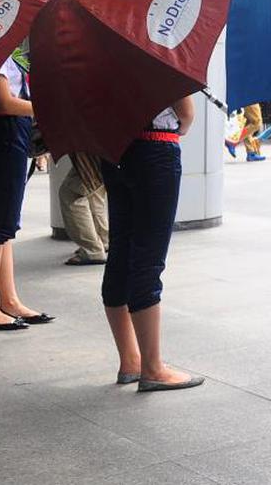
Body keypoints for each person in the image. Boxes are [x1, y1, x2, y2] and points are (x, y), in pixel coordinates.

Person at [100, 96, 204, 392]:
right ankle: (153, 368)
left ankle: (130, 360)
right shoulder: (158, 49)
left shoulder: (103, 51)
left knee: (120, 250)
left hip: (114, 148)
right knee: (148, 256)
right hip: (156, 148)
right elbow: (185, 112)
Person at [0, 56, 53, 331]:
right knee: (0, 222)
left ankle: (9, 300)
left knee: (5, 222)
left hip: (5, 131)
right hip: (4, 130)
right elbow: (4, 101)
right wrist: (49, 110)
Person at [59, 153, 109, 266]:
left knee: (72, 194)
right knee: (94, 191)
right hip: (102, 149)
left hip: (89, 149)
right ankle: (103, 240)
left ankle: (92, 250)